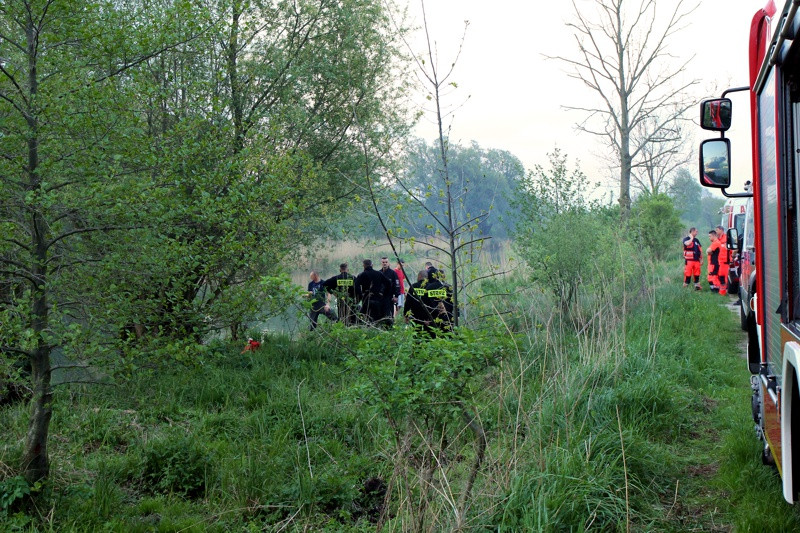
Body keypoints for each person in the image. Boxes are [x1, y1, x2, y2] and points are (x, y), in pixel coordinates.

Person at [355, 259, 390, 326]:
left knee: (364, 318)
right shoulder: (379, 273)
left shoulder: (361, 275)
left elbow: (356, 287)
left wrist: (361, 295)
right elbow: (388, 283)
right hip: (378, 299)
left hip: (366, 299)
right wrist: (384, 294)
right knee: (378, 318)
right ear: (372, 265)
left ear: (364, 266)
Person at [379, 256, 401, 326]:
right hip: (380, 298)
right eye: (383, 262)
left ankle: (390, 327)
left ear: (388, 263)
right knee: (381, 314)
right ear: (381, 263)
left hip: (389, 297)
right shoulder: (379, 273)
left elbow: (397, 285)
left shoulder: (393, 273)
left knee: (389, 314)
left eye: (386, 262)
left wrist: (396, 296)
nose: (384, 264)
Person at [715, 225, 730, 296]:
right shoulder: (717, 239)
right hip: (717, 261)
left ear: (721, 230)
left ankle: (723, 293)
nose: (716, 231)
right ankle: (720, 291)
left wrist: (731, 258)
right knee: (718, 276)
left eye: (717, 230)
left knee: (722, 276)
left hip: (724, 261)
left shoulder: (726, 238)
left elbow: (731, 249)